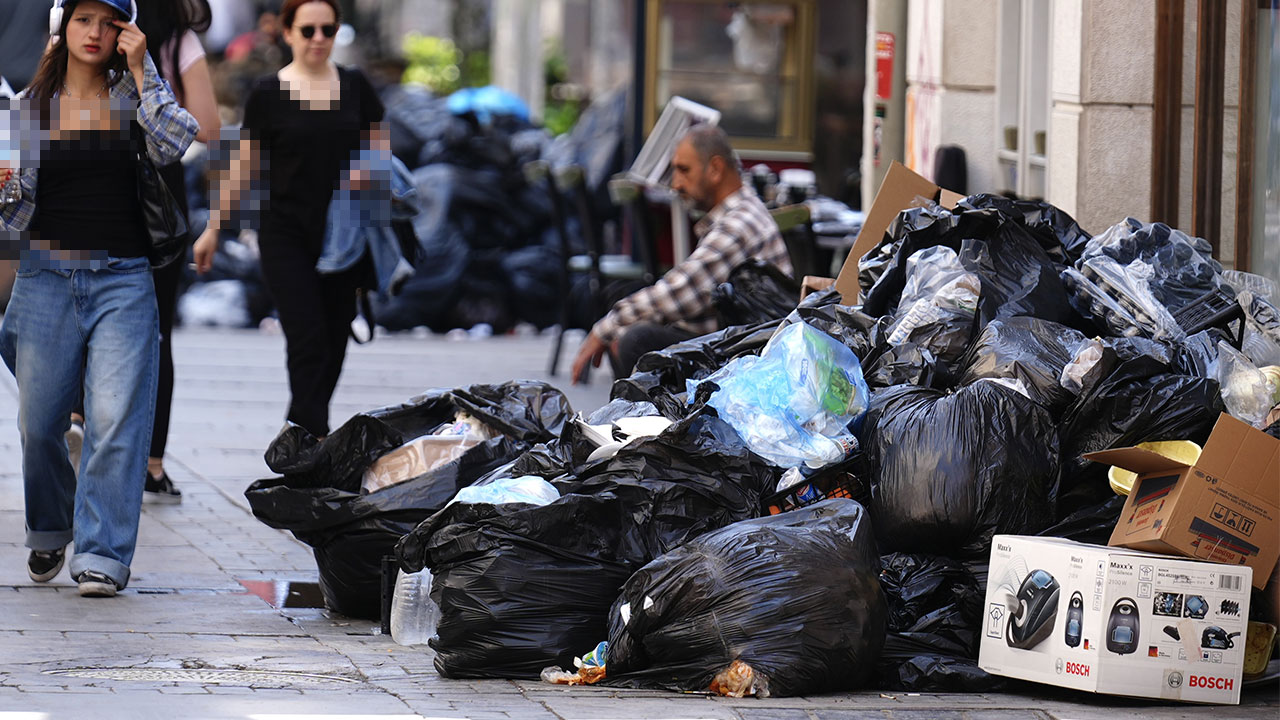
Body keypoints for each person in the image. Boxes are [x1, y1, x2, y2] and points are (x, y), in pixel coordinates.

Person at [0, 0, 198, 597]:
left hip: (123, 278)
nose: (96, 33)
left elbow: (176, 142)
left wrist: (145, 71)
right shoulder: (30, 105)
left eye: (110, 23)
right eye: (85, 19)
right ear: (65, 25)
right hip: (43, 279)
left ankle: (102, 554)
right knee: (40, 426)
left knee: (114, 421)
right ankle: (51, 527)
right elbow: (12, 212)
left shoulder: (135, 97)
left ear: (126, 33)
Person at [197, 0, 385, 439]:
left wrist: (371, 180)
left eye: (327, 29)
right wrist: (213, 227)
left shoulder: (358, 87)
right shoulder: (268, 93)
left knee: (335, 342)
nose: (318, 39)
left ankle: (303, 438)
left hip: (345, 237)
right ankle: (308, 441)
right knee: (307, 339)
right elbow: (242, 164)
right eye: (308, 30)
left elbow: (380, 152)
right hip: (285, 233)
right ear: (287, 33)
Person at [571, 124, 792, 383]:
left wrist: (604, 330)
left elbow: (678, 294)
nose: (675, 184)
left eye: (683, 170)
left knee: (638, 339)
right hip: (741, 345)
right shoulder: (740, 212)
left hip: (752, 361)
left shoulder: (738, 225)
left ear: (716, 169)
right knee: (636, 329)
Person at [128, 0, 219, 502]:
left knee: (82, 309)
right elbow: (207, 124)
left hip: (94, 180)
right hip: (160, 194)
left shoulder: (80, 23)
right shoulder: (176, 39)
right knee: (156, 332)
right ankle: (152, 463)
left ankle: (79, 424)